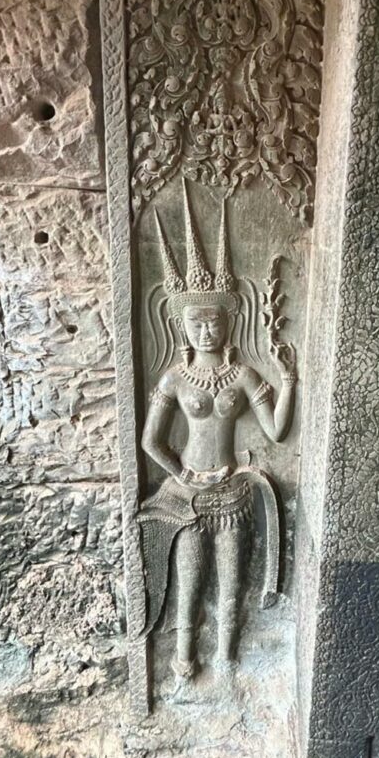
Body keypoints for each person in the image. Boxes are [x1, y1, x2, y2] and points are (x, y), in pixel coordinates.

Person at [138, 191, 296, 681]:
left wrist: (288, 380)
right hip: (186, 494)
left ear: (229, 322)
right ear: (181, 326)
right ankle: (184, 658)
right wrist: (179, 469)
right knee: (188, 584)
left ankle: (227, 656)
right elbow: (151, 442)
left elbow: (277, 429)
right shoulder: (173, 380)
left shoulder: (245, 375)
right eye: (195, 321)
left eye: (213, 320)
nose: (205, 330)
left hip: (232, 493)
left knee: (230, 583)